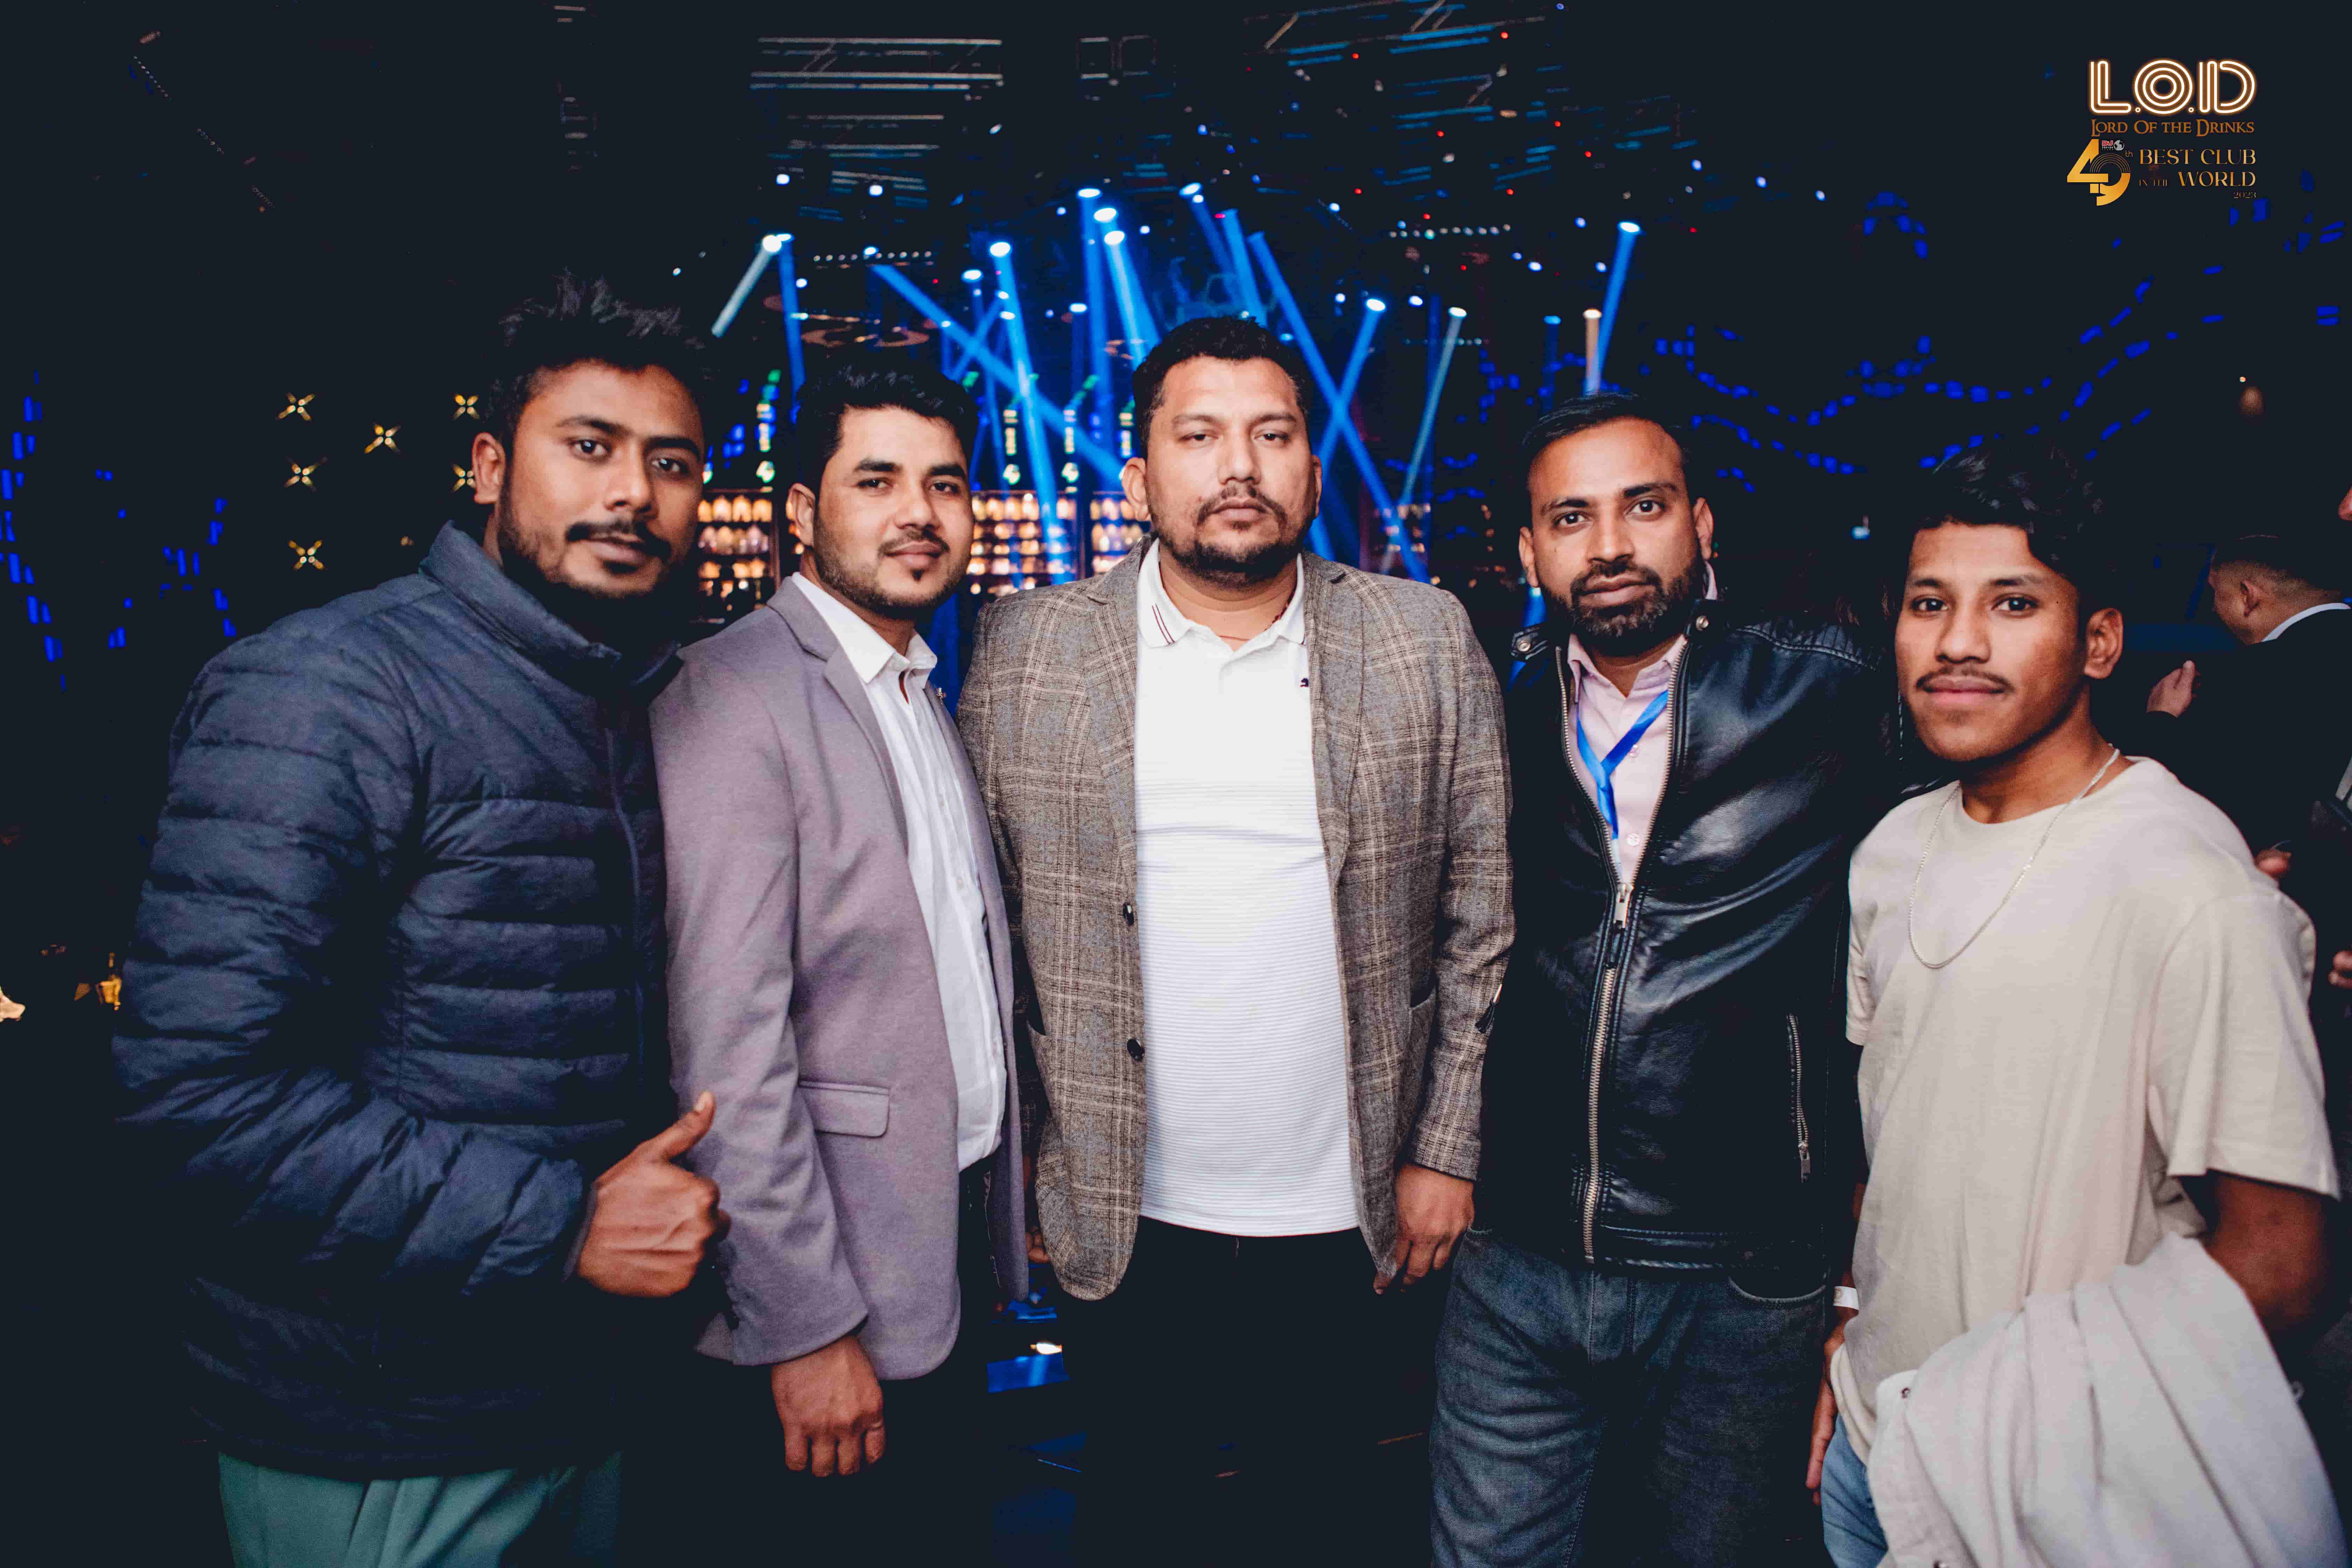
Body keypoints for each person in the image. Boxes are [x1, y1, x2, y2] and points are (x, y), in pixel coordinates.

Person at [112, 275, 722, 1566]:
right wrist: (564, 1224)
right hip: (374, 1423)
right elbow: (197, 1097)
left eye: (670, 463)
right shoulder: (330, 685)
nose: (632, 493)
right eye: (590, 446)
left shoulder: (615, 695)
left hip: (572, 1392)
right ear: (491, 466)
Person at [958, 314, 1511, 1565]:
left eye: (1271, 434)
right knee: (1133, 1510)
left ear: (1311, 466)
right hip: (1120, 1202)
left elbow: (1480, 915)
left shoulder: (1421, 636)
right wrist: (1021, 1167)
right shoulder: (1029, 646)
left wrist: (1443, 1145)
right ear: (1139, 472)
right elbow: (990, 926)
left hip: (1353, 1202)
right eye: (1198, 435)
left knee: (1328, 1516)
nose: (1238, 466)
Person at [1816, 449, 2338, 1567]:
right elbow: (1888, 1138)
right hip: (1873, 1447)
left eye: (2012, 604)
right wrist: (1854, 1325)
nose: (1958, 641)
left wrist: (2021, 1410)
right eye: (1928, 603)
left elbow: (2282, 1264)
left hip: (2062, 1489)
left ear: (2098, 642)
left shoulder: (2189, 883)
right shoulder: (1889, 850)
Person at [1430, 392, 1892, 1566]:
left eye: (1643, 507)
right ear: (1530, 551)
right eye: (1571, 518)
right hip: (1518, 1253)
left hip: (1740, 1269)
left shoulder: (1827, 689)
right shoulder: (1495, 703)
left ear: (1701, 523)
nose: (1610, 545)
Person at [649, 359, 1026, 1557]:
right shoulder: (733, 693)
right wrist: (801, 1326)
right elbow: (727, 1055)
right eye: (878, 481)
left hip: (938, 1251)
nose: (920, 513)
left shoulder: (915, 688)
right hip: (828, 1292)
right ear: (805, 513)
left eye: (946, 484)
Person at [2132, 531, 2351, 856]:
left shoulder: (2245, 675)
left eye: (2215, 593)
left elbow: (2169, 808)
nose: (2213, 608)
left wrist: (2161, 720)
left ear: (2248, 596)